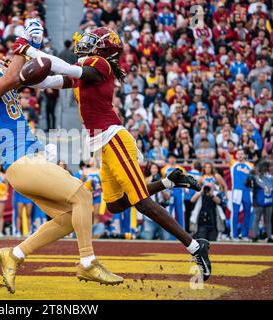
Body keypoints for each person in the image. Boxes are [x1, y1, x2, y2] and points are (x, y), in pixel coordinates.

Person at [14, 26, 211, 280]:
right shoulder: (86, 68)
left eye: (92, 40)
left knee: (141, 203)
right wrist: (21, 75)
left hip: (113, 138)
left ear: (102, 48)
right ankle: (169, 181)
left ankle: (195, 246)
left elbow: (62, 67)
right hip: (102, 143)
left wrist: (29, 48)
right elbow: (47, 80)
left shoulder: (100, 64)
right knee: (116, 204)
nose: (84, 42)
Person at [0, 46, 123, 294]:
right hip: (22, 161)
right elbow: (13, 77)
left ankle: (15, 254)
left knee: (69, 219)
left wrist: (81, 78)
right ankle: (87, 262)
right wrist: (24, 43)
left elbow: (38, 76)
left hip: (29, 162)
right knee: (83, 197)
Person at [141, 162, 170, 240]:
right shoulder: (145, 180)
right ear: (149, 170)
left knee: (166, 237)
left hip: (162, 209)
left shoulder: (163, 181)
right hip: (150, 210)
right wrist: (151, 183)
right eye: (152, 168)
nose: (154, 170)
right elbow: (143, 195)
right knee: (148, 236)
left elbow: (167, 197)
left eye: (155, 168)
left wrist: (160, 186)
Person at [229, 148, 254, 241]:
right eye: (238, 154)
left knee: (247, 213)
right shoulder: (233, 163)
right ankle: (234, 234)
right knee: (235, 213)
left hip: (247, 191)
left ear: (245, 155)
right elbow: (226, 153)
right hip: (236, 191)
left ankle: (245, 234)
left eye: (242, 154)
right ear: (236, 155)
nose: (240, 155)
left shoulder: (250, 165)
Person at [250, 160, 273, 242]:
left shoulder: (257, 177)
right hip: (263, 201)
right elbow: (248, 184)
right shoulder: (256, 177)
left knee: (265, 220)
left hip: (265, 201)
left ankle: (267, 236)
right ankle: (257, 235)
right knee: (260, 219)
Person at [82, 158, 103, 238]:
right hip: (88, 195)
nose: (93, 162)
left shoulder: (99, 171)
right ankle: (88, 232)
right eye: (91, 160)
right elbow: (81, 183)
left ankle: (95, 233)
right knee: (89, 214)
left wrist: (98, 188)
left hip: (97, 195)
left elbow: (103, 184)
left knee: (96, 214)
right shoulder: (85, 171)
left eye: (94, 160)